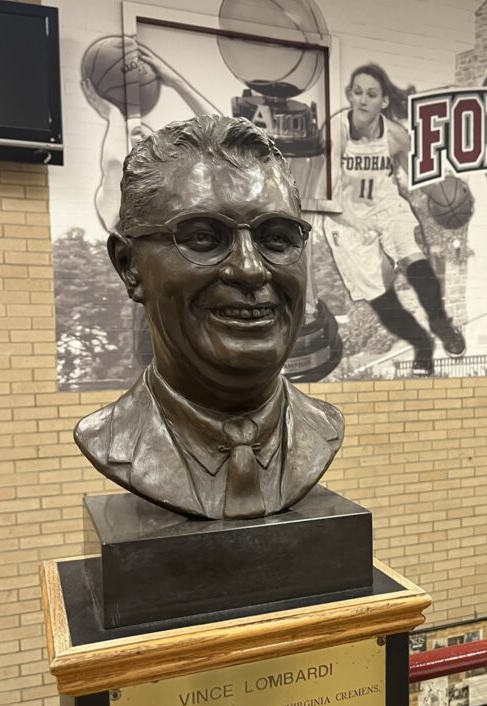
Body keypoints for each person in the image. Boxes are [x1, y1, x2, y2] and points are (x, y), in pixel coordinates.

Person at [74, 115, 345, 521]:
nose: (251, 269)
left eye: (276, 238)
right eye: (203, 237)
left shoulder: (322, 431)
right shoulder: (111, 440)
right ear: (129, 266)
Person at [81, 39, 221, 367]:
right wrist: (115, 115)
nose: (138, 138)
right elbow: (116, 163)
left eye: (145, 137)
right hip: (158, 327)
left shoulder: (189, 200)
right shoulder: (115, 207)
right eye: (132, 138)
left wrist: (178, 82)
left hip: (204, 314)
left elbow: (226, 137)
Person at [324, 63, 465, 376]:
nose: (362, 100)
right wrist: (352, 221)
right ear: (349, 95)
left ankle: (441, 323)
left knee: (411, 254)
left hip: (385, 204)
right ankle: (422, 345)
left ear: (383, 102)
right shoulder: (337, 131)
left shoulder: (396, 137)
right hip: (344, 216)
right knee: (381, 300)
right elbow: (329, 192)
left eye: (371, 94)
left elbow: (420, 178)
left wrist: (448, 194)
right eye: (357, 92)